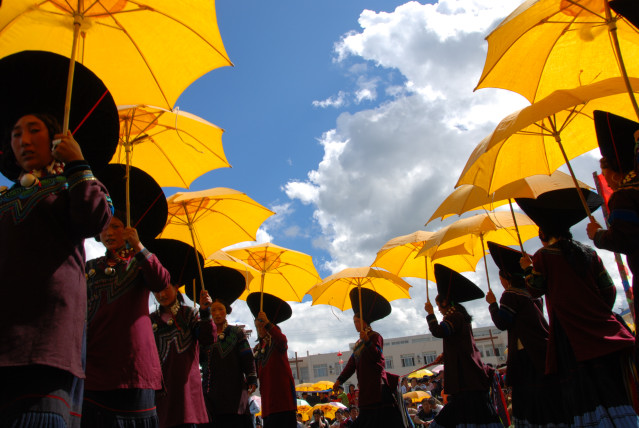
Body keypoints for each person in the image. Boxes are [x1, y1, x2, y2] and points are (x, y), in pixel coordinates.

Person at [0, 112, 113, 427]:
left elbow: (95, 219)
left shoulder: (73, 183)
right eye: (16, 133)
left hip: (46, 337)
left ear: (54, 139)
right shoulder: (5, 197)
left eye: (34, 130)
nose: (23, 140)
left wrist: (77, 162)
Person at [518, 193, 639, 426]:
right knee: (611, 382)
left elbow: (534, 289)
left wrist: (527, 269)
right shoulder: (590, 253)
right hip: (603, 328)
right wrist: (597, 312)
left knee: (585, 388)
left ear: (544, 233)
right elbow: (609, 289)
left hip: (569, 332)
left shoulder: (543, 257)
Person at [83, 210, 170, 427]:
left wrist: (139, 246)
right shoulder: (90, 268)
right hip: (94, 366)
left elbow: (161, 281)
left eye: (116, 226)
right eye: (104, 227)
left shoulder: (139, 261)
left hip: (133, 367)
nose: (108, 233)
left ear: (128, 230)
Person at [485, 241, 561, 426]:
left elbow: (502, 322)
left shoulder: (510, 294)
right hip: (543, 348)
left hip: (527, 354)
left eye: (501, 277)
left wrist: (493, 304)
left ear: (507, 277)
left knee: (530, 398)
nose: (501, 282)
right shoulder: (533, 293)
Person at [147, 238, 217, 428]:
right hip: (159, 396)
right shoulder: (149, 321)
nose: (161, 294)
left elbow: (208, 338)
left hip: (187, 395)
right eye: (156, 290)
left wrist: (205, 312)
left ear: (176, 286)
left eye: (165, 288)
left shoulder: (190, 314)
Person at [424, 264, 502, 428]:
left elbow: (439, 331)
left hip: (465, 378)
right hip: (467, 377)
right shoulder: (458, 317)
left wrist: (430, 314)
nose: (438, 309)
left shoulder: (455, 316)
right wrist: (446, 355)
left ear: (445, 302)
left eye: (438, 306)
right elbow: (458, 344)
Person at [587, 110, 639, 321]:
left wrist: (597, 235)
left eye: (605, 171)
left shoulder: (625, 196)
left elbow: (625, 240)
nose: (605, 180)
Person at [333, 288, 405, 427]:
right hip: (366, 390)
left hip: (378, 389)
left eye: (357, 321)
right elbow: (351, 364)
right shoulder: (358, 344)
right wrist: (339, 380)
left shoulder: (375, 337)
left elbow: (377, 356)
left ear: (364, 322)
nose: (355, 324)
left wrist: (367, 340)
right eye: (354, 321)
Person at [200, 266, 258, 428]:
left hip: (235, 390)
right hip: (211, 391)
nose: (217, 313)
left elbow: (247, 356)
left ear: (227, 312)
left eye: (220, 309)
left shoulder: (236, 332)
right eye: (213, 310)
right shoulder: (204, 334)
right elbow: (199, 357)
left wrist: (252, 377)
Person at [247, 292, 297, 428]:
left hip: (284, 404)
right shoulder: (257, 349)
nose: (259, 329)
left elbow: (282, 341)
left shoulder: (278, 341)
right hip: (268, 407)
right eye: (257, 326)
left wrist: (268, 323)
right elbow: (252, 372)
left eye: (262, 325)